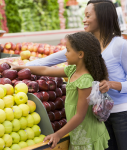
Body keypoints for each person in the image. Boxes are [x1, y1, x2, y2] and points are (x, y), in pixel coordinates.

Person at [26, 1, 127, 149]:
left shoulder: (120, 45)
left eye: (88, 15)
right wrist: (21, 67)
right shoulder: (85, 45)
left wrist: (113, 84)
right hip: (97, 116)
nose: (84, 20)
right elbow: (48, 62)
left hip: (121, 114)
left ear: (102, 17)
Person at [8, 31, 110, 150]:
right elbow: (45, 70)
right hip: (78, 131)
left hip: (87, 134)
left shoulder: (85, 81)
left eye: (68, 50)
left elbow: (80, 115)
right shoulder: (72, 70)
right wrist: (20, 67)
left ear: (80, 54)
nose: (65, 54)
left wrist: (58, 134)